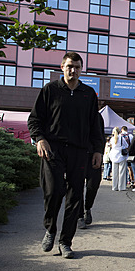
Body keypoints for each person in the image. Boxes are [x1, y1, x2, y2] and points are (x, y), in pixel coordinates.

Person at [27, 51, 104, 259]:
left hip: (80, 152)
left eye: (77, 67)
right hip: (53, 149)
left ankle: (65, 242)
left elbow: (95, 126)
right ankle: (50, 230)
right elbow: (34, 120)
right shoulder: (50, 90)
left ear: (81, 69)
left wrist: (98, 150)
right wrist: (39, 139)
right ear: (62, 67)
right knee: (53, 191)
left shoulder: (88, 94)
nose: (73, 70)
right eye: (70, 66)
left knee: (75, 196)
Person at [78, 113, 105, 229]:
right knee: (76, 187)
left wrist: (99, 151)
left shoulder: (97, 116)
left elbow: (100, 135)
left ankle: (87, 207)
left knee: (93, 185)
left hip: (93, 154)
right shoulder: (72, 111)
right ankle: (79, 216)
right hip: (77, 155)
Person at [109, 127, 129, 191]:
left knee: (115, 173)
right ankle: (121, 187)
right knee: (122, 172)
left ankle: (114, 186)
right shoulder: (121, 138)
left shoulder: (112, 139)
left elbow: (110, 146)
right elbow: (126, 146)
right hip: (121, 156)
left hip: (114, 156)